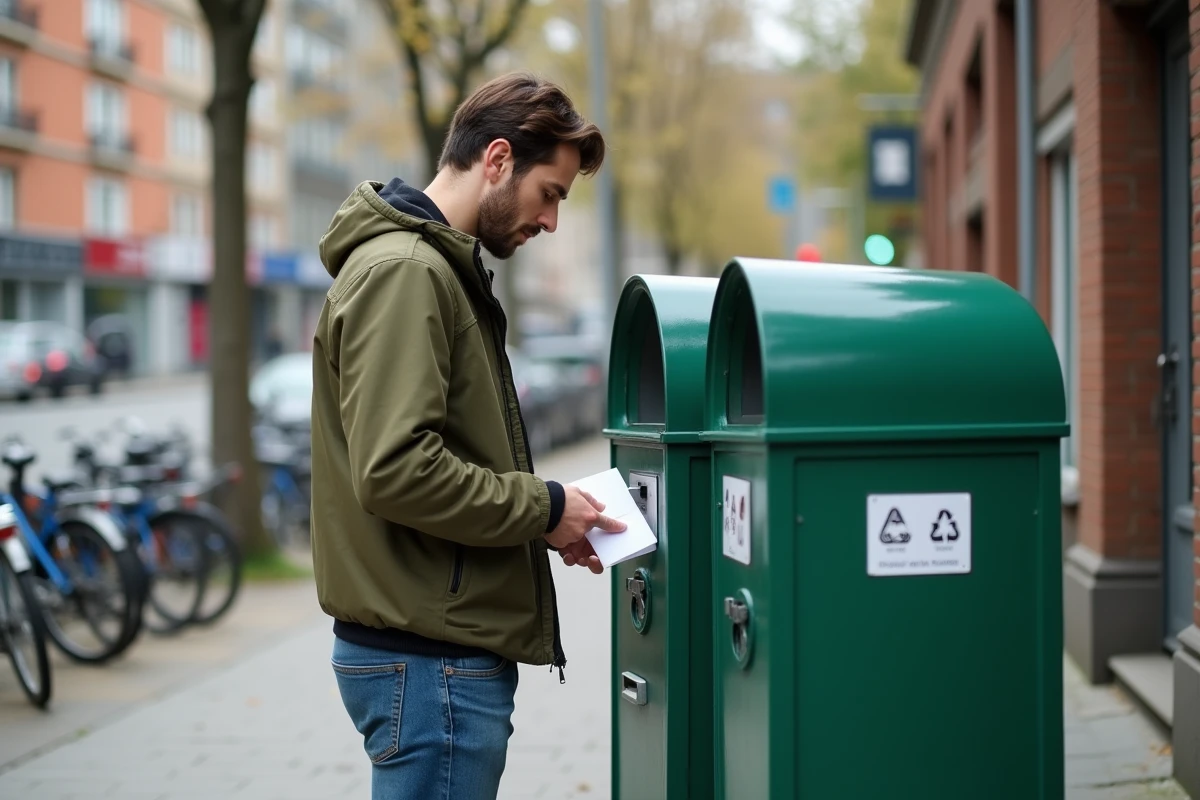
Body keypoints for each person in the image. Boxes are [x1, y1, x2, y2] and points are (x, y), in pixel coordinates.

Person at [308, 72, 625, 800]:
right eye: (552, 194)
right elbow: (397, 470)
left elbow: (435, 455)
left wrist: (546, 523)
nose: (551, 222)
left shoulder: (435, 269)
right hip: (429, 660)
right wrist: (542, 507)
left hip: (428, 647)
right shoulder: (408, 272)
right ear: (500, 160)